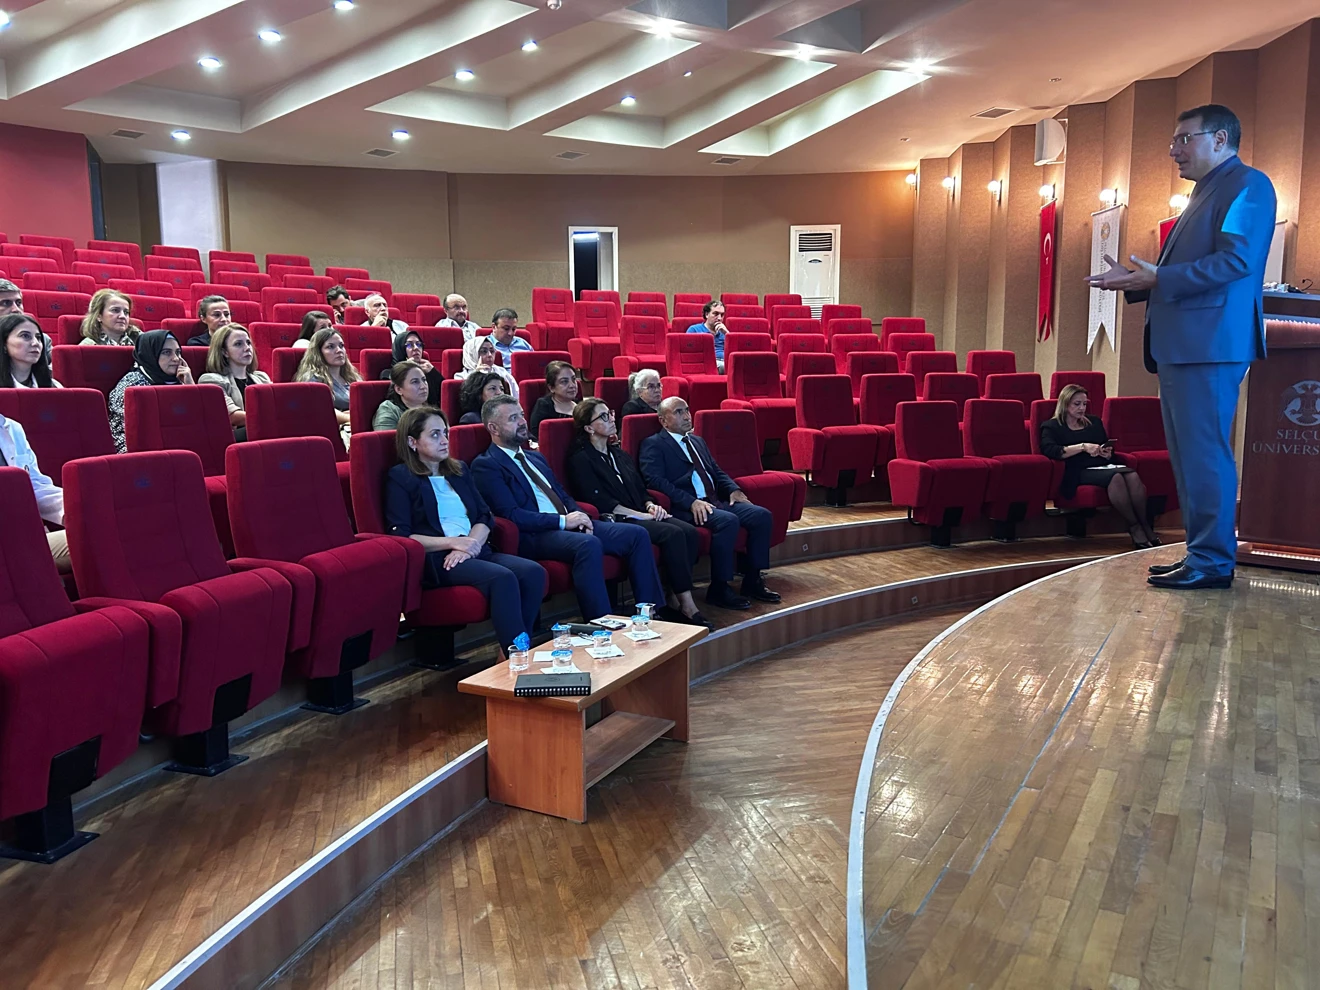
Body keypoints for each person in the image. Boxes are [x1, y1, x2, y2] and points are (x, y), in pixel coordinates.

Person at [1086, 103, 1276, 591]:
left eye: (1184, 139)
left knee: (1205, 455)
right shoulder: (1205, 191)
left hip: (1209, 344)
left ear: (1220, 139)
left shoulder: (1249, 185)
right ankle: (1201, 553)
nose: (1174, 150)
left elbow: (1236, 263)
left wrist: (1159, 278)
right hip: (1186, 345)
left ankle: (1212, 561)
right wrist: (1139, 281)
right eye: (1174, 140)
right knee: (1189, 457)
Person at [471, 395, 666, 622]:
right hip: (535, 534)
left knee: (636, 535)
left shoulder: (535, 458)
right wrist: (564, 521)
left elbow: (562, 495)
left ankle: (650, 614)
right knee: (587, 544)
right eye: (513, 418)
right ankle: (601, 622)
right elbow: (511, 515)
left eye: (522, 415)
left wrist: (580, 515)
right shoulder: (487, 465)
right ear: (493, 428)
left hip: (567, 523)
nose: (523, 422)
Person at [386, 407, 545, 656]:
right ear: (412, 441)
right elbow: (401, 536)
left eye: (445, 433)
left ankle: (511, 650)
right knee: (502, 578)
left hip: (475, 548)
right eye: (435, 435)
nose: (444, 440)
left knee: (533, 572)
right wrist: (454, 543)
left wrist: (470, 544)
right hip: (440, 560)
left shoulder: (458, 470)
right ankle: (517, 656)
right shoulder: (401, 477)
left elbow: (484, 515)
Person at [566, 398, 709, 628]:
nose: (611, 419)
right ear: (589, 428)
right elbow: (599, 501)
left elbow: (640, 488)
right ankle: (687, 604)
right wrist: (640, 515)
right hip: (617, 519)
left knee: (689, 531)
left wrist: (650, 505)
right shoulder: (580, 459)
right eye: (603, 416)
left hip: (640, 512)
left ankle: (673, 593)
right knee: (672, 533)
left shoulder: (618, 454)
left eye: (611, 413)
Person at [640, 396, 779, 610]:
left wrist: (733, 489)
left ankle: (753, 580)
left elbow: (716, 471)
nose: (687, 416)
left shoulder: (697, 441)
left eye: (687, 410)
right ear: (663, 420)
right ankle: (719, 588)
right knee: (728, 521)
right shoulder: (654, 444)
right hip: (686, 507)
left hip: (715, 501)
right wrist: (691, 502)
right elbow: (655, 481)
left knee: (761, 516)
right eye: (678, 412)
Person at [1039, 385, 1159, 550]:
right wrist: (1083, 447)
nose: (1082, 408)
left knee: (1131, 475)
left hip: (1101, 465)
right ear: (1065, 404)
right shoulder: (1051, 426)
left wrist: (1106, 452)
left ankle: (1144, 524)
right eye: (1077, 404)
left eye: (1084, 404)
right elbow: (1051, 451)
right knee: (1116, 477)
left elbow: (1104, 445)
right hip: (1076, 471)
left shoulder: (1094, 422)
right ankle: (1134, 526)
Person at [0, 409, 70, 572]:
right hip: (9, 542)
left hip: (26, 534)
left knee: (105, 530)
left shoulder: (12, 428)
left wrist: (76, 510)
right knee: (99, 537)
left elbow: (35, 487)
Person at [108, 330, 194, 452]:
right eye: (166, 352)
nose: (176, 358)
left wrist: (191, 387)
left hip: (176, 444)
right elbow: (133, 430)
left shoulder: (181, 379)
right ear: (150, 354)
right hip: (138, 450)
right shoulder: (132, 383)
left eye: (178, 352)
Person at [199, 324, 270, 441]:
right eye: (238, 344)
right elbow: (232, 416)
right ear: (225, 352)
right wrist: (270, 419)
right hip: (234, 437)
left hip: (262, 431)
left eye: (248, 343)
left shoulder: (262, 377)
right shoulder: (210, 379)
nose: (247, 348)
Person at [294, 327, 361, 428]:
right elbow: (321, 410)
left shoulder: (352, 376)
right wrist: (350, 417)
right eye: (330, 347)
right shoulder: (312, 379)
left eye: (341, 346)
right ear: (318, 352)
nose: (339, 350)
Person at [378, 329, 441, 405]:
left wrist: (434, 372)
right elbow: (393, 397)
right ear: (400, 349)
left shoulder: (427, 371)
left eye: (419, 344)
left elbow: (443, 396)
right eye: (409, 345)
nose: (416, 348)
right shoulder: (386, 374)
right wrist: (406, 369)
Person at [0, 313, 61, 389]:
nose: (36, 343)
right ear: (4, 344)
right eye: (25, 336)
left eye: (38, 338)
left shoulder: (54, 386)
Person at [1, 278, 54, 365]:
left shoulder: (41, 339)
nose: (16, 309)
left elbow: (57, 367)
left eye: (18, 303)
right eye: (6, 303)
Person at [373, 361, 431, 432]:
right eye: (415, 382)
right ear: (398, 389)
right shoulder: (389, 410)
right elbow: (385, 438)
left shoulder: (431, 406)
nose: (423, 386)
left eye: (424, 380)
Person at [528, 359, 578, 438]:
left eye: (574, 379)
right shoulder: (544, 405)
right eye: (564, 381)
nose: (572, 385)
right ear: (551, 388)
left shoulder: (580, 405)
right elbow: (537, 436)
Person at [686, 300, 728, 372]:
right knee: (724, 367)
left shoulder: (724, 332)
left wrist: (727, 333)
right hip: (706, 363)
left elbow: (735, 350)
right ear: (707, 314)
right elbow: (688, 353)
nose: (719, 318)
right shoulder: (694, 330)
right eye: (716, 314)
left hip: (725, 361)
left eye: (722, 315)